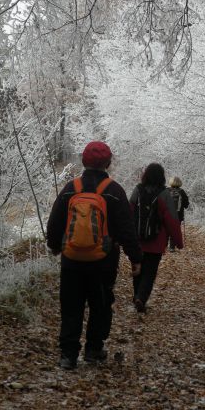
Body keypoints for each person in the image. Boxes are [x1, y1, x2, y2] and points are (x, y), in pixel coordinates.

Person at [47, 141, 142, 370]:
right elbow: (127, 229)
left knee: (71, 305)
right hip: (104, 261)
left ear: (83, 161)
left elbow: (55, 221)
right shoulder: (115, 191)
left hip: (71, 260)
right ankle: (93, 349)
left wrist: (54, 246)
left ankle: (68, 355)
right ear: (108, 163)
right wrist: (135, 258)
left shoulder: (71, 188)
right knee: (100, 304)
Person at [129, 163, 183, 313]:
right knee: (150, 272)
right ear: (162, 177)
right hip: (156, 242)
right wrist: (178, 242)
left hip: (137, 240)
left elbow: (128, 212)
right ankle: (141, 298)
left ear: (145, 175)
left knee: (137, 269)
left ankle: (136, 296)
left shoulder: (137, 190)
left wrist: (125, 236)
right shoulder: (164, 194)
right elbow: (172, 220)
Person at [167, 176, 189, 251]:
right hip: (178, 215)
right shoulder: (182, 192)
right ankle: (172, 247)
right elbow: (186, 205)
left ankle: (163, 245)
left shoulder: (166, 191)